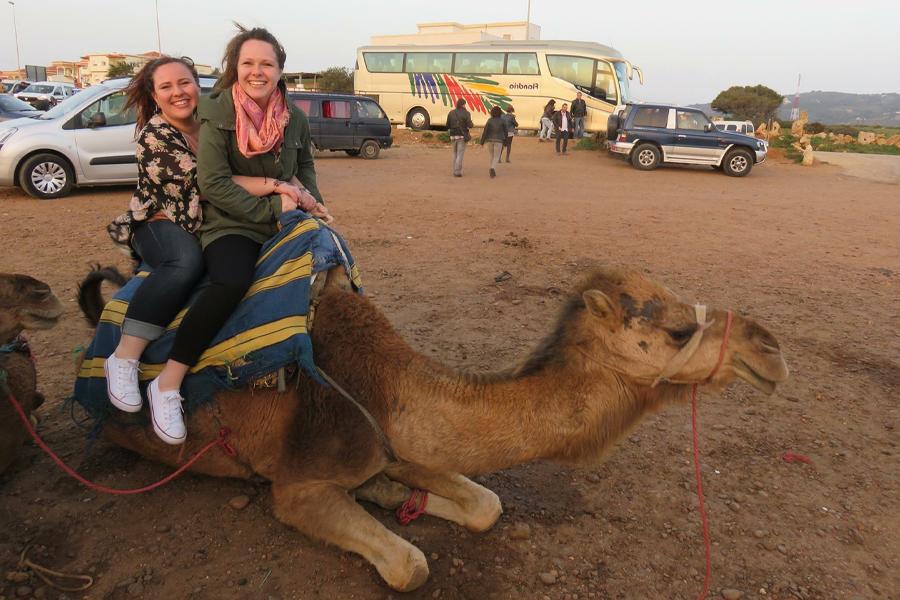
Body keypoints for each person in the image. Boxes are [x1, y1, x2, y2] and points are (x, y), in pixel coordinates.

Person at [145, 26, 331, 445]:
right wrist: (269, 209)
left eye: (266, 63)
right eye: (248, 63)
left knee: (331, 270)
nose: (257, 71)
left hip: (285, 215)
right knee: (231, 281)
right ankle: (168, 382)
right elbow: (213, 183)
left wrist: (313, 204)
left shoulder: (295, 118)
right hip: (232, 222)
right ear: (235, 68)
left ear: (280, 70)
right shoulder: (217, 111)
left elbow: (304, 171)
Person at [103, 57, 207, 418]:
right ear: (154, 94)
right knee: (185, 262)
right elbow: (208, 183)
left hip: (200, 222)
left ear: (197, 84)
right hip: (157, 221)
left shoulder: (211, 125)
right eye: (166, 86)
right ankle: (125, 357)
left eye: (185, 82)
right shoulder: (154, 136)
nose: (178, 92)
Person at [446, 98, 473, 177]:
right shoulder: (466, 113)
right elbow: (470, 125)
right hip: (461, 135)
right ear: (463, 105)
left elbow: (447, 124)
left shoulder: (451, 112)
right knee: (460, 154)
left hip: (453, 135)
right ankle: (457, 172)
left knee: (454, 153)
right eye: (465, 104)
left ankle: (454, 170)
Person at [479, 105, 508, 178]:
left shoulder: (489, 120)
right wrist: (506, 142)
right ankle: (492, 168)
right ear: (500, 112)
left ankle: (491, 168)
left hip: (489, 140)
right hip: (499, 140)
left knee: (492, 155)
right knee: (497, 156)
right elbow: (506, 132)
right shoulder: (502, 121)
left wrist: (482, 142)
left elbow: (485, 131)